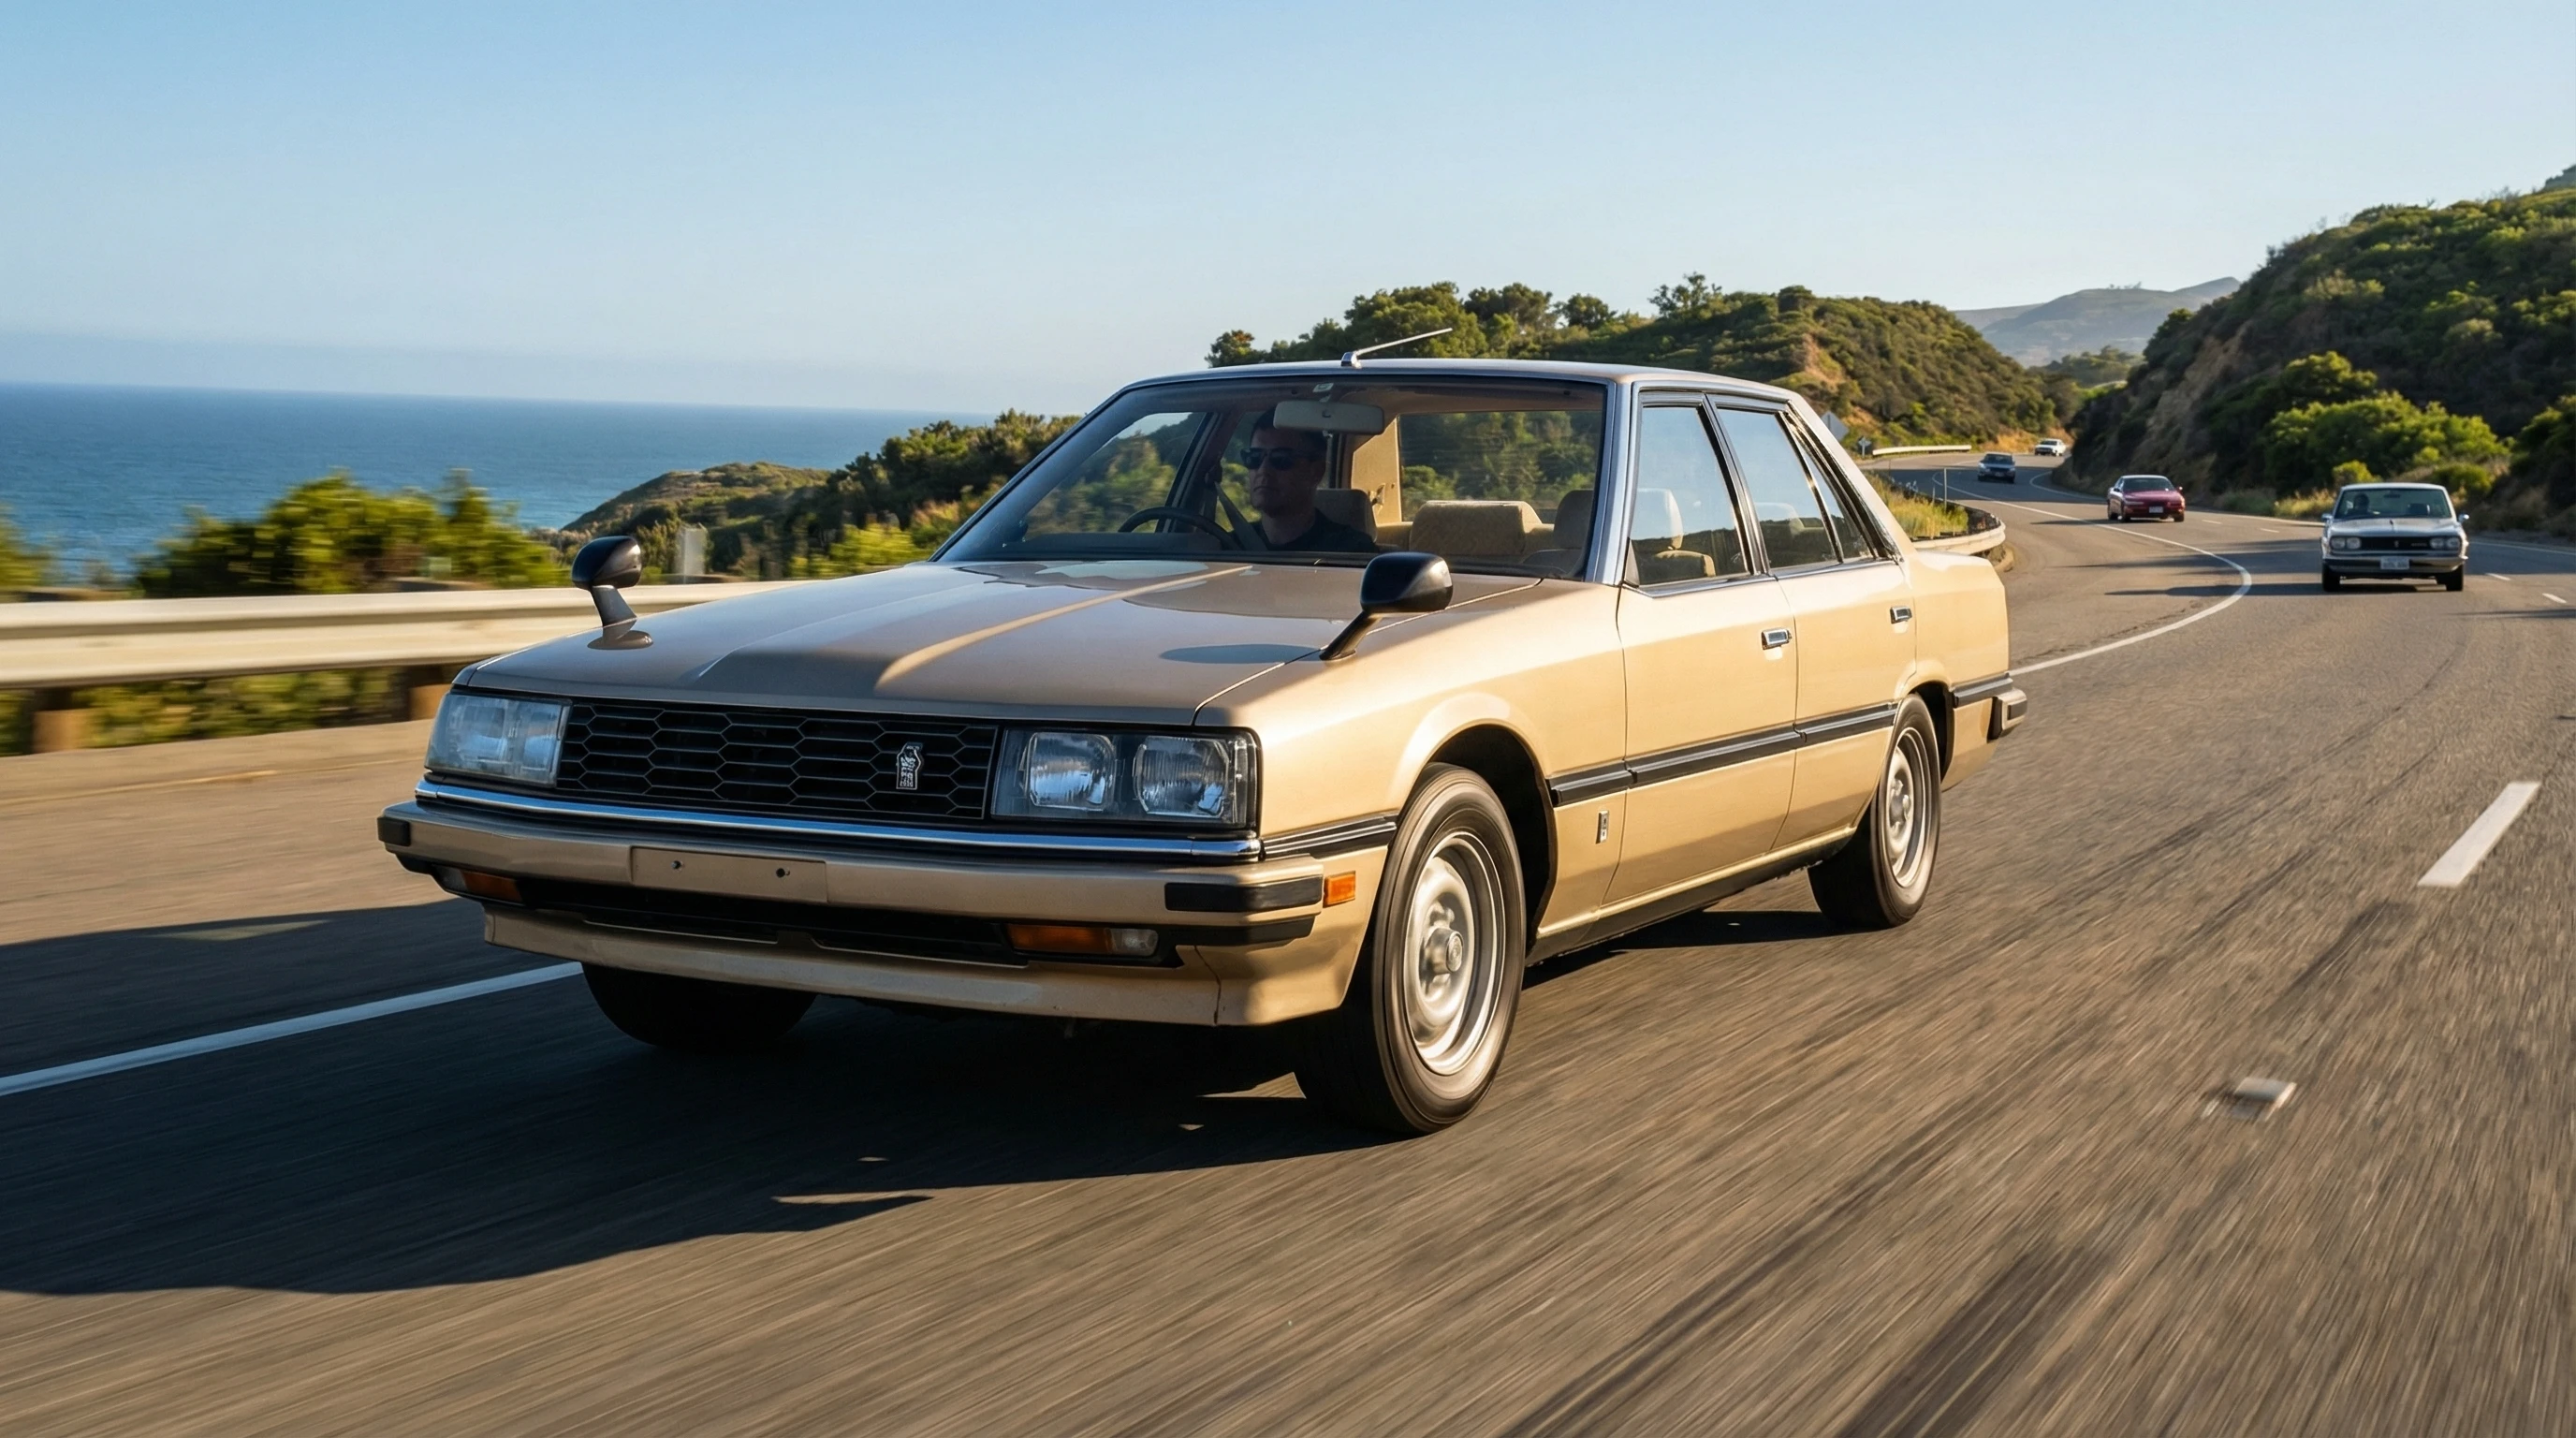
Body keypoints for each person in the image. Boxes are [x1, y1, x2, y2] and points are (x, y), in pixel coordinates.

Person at [1241, 412, 1375, 552]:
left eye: (1281, 459)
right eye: (1254, 457)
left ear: (1316, 471)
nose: (1263, 470)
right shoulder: (1228, 546)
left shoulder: (1351, 551)